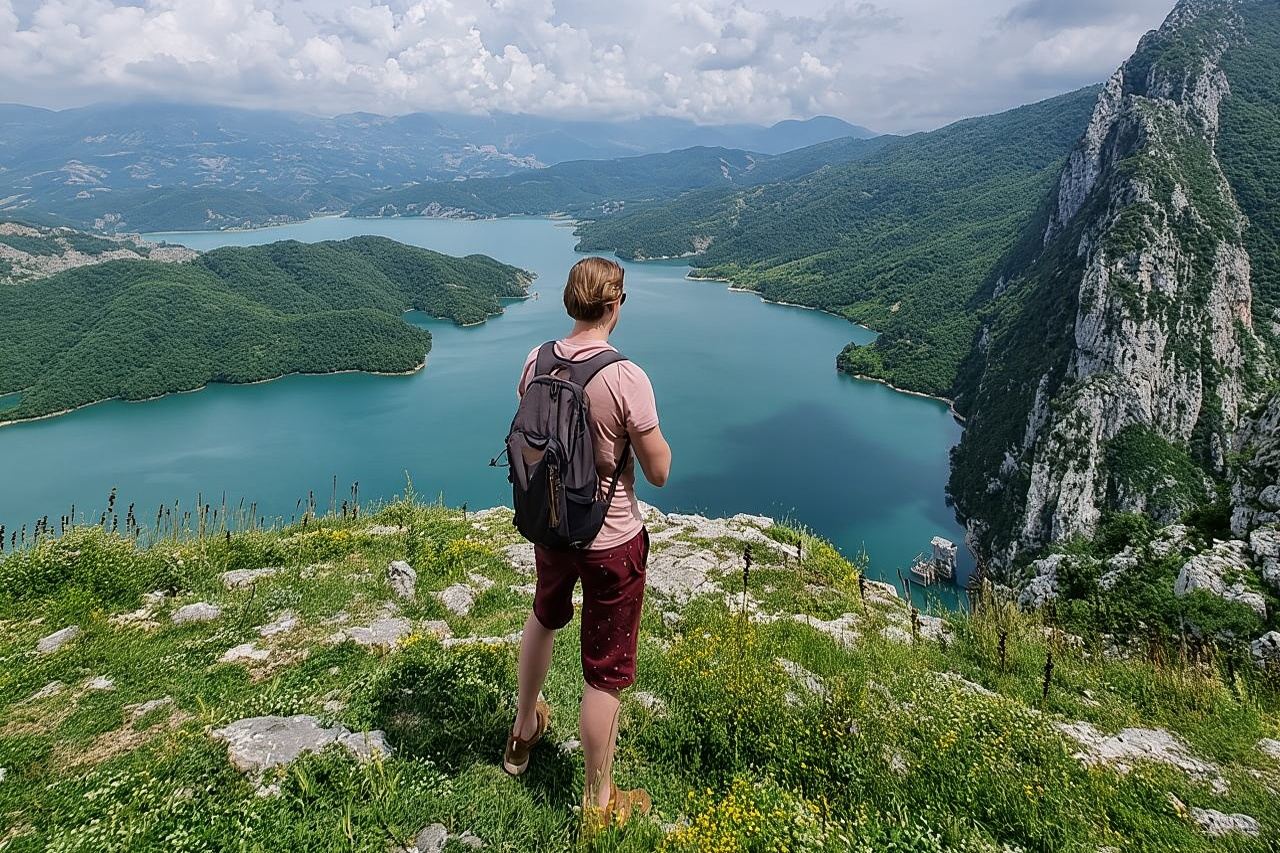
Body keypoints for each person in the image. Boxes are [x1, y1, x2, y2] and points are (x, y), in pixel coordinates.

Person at [503, 256, 672, 828]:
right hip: (611, 540)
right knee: (603, 672)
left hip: (550, 529)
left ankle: (523, 732)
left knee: (543, 616)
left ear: (571, 301)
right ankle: (598, 805)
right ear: (615, 304)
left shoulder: (536, 360)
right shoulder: (625, 377)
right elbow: (658, 472)